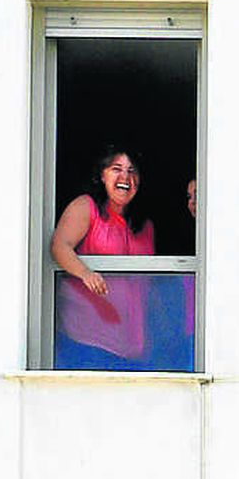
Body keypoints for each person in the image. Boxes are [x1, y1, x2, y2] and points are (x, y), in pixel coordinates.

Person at [50, 146, 154, 368]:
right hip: (87, 341)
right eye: (116, 169)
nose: (125, 177)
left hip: (134, 348)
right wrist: (85, 273)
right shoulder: (86, 207)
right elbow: (59, 246)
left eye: (132, 171)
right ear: (102, 175)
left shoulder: (145, 226)